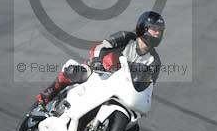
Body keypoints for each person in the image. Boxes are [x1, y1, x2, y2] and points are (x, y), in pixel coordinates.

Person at [36, 11, 165, 109]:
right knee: (74, 71)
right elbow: (101, 46)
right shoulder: (126, 38)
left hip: (120, 91)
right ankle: (47, 94)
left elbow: (148, 87)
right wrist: (97, 61)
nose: (158, 33)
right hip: (99, 71)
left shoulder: (154, 61)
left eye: (160, 31)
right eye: (155, 29)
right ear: (144, 28)